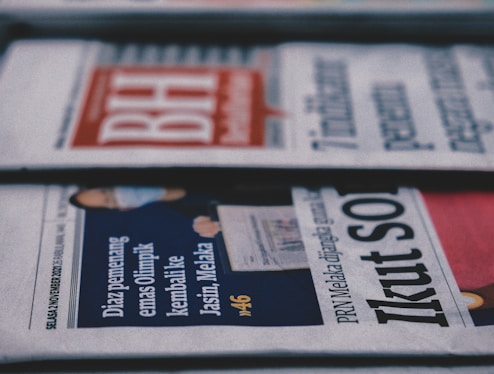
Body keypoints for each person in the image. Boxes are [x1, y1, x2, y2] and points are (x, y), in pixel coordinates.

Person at [70, 186, 220, 238]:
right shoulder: (192, 212)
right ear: (126, 208)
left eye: (107, 190)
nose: (117, 195)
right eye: (110, 201)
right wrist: (221, 226)